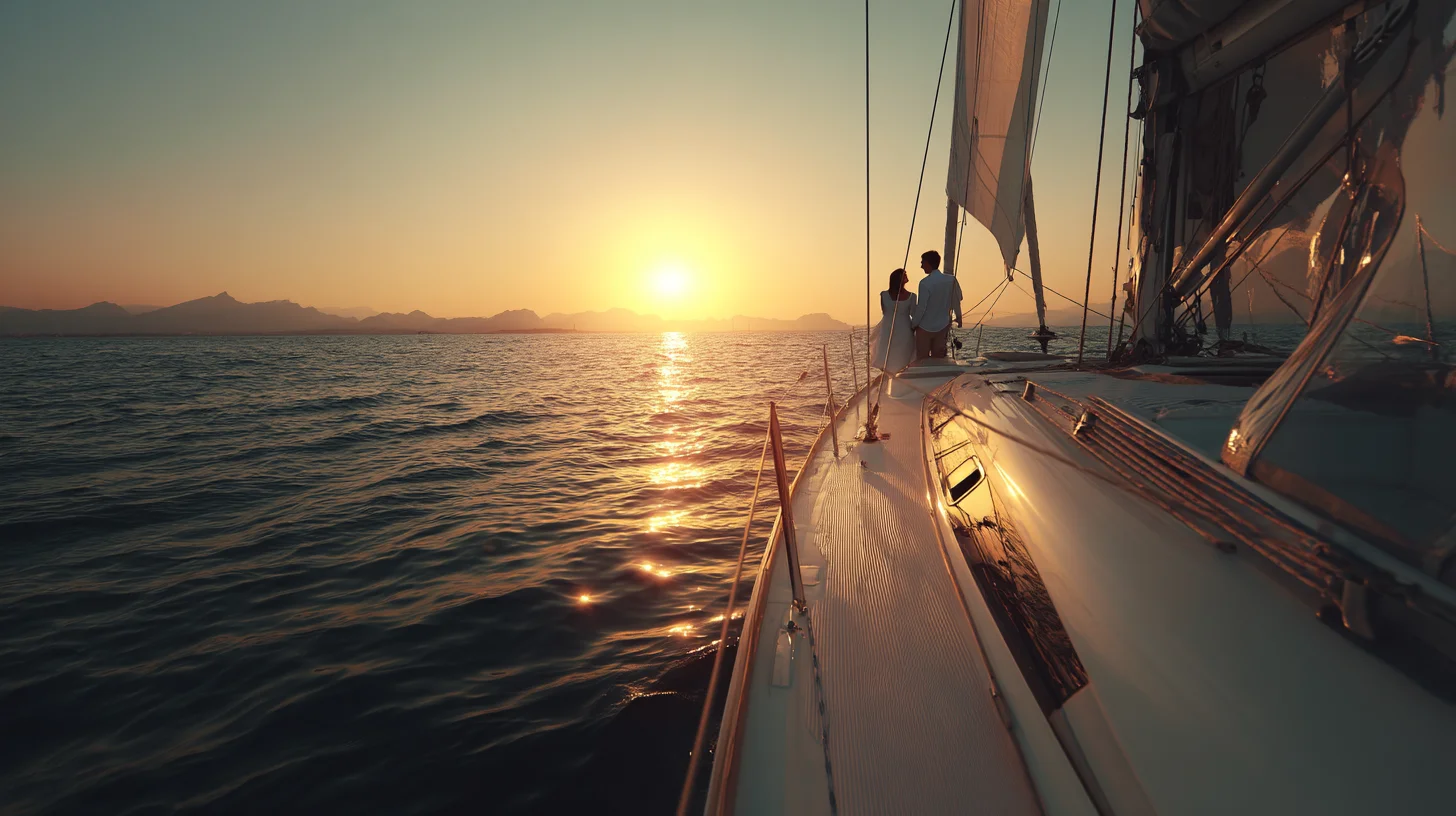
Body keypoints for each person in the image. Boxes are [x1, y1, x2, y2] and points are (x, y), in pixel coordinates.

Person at [910, 250, 962, 359]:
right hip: (942, 326)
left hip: (924, 327)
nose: (921, 266)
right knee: (938, 359)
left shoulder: (924, 283)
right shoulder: (951, 280)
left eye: (922, 263)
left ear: (928, 263)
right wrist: (959, 317)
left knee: (922, 360)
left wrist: (913, 324)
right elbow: (956, 300)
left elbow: (921, 308)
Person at [870, 268, 916, 372]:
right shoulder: (884, 295)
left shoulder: (912, 296)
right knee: (887, 352)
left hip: (899, 329)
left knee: (902, 352)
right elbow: (913, 313)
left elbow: (885, 311)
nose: (906, 277)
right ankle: (890, 375)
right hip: (890, 328)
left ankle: (898, 374)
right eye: (904, 275)